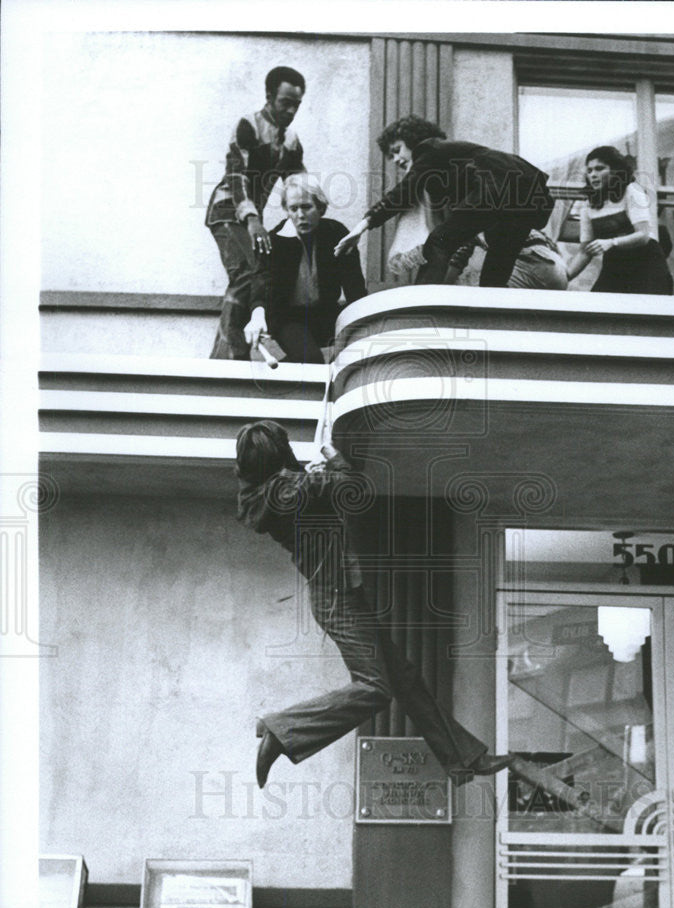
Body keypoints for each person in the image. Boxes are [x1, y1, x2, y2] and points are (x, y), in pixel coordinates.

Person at [235, 420, 515, 788]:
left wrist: (317, 473)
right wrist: (333, 457)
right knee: (375, 687)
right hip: (337, 597)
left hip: (342, 593)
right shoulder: (288, 490)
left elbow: (319, 490)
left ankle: (463, 758)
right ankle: (282, 729)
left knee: (406, 680)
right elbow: (353, 486)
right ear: (278, 454)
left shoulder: (280, 490)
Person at [334, 114, 554, 287]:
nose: (397, 160)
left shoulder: (427, 148)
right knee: (497, 266)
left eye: (397, 150)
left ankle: (422, 304)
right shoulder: (448, 166)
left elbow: (404, 191)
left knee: (439, 241)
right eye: (391, 157)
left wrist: (364, 225)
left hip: (498, 184)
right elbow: (462, 225)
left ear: (413, 140)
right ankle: (493, 316)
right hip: (528, 195)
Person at [206, 66, 307, 361]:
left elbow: (298, 183)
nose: (290, 111)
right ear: (269, 96)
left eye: (296, 105)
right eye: (284, 103)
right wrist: (251, 219)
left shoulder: (291, 141)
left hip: (252, 219)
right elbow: (237, 176)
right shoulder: (249, 125)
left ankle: (227, 354)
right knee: (248, 274)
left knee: (253, 279)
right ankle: (227, 357)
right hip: (227, 211)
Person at [243, 175, 367, 364]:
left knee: (361, 353)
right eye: (294, 209)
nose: (300, 215)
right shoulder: (275, 240)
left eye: (306, 207)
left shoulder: (336, 233)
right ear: (287, 211)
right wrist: (257, 315)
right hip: (289, 318)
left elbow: (354, 285)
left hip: (326, 315)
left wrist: (364, 326)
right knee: (309, 358)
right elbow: (261, 281)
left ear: (320, 208)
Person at [565, 146, 672, 295]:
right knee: (597, 308)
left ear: (615, 170)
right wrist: (564, 277)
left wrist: (611, 242)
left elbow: (643, 235)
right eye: (589, 171)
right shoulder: (589, 204)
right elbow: (585, 251)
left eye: (599, 169)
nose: (593, 175)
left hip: (646, 263)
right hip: (615, 265)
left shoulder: (632, 190)